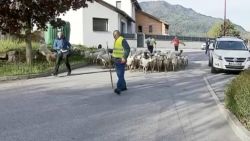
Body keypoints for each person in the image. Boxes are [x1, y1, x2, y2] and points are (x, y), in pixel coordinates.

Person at [112, 30, 130, 95]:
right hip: (116, 60)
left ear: (118, 34)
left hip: (121, 60)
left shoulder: (122, 40)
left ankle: (118, 88)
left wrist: (124, 57)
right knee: (119, 74)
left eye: (114, 35)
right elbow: (117, 50)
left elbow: (127, 49)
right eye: (113, 35)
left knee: (120, 74)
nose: (113, 37)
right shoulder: (116, 40)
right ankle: (124, 87)